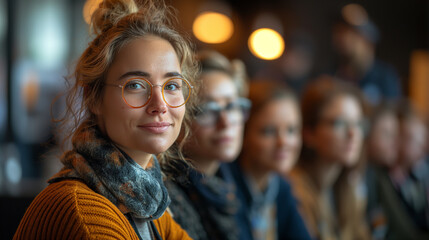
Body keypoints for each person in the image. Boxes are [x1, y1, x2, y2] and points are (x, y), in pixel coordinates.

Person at [14, 0, 199, 239]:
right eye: (135, 85)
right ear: (93, 98)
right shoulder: (86, 215)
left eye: (172, 85)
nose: (160, 105)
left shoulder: (143, 197)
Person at [163, 50, 251, 240]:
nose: (225, 122)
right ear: (180, 117)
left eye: (232, 106)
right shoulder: (166, 198)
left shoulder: (231, 183)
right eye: (207, 110)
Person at [288, 75, 371, 240]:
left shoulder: (348, 187)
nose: (353, 134)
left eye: (358, 124)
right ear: (309, 133)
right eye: (339, 123)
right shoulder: (294, 192)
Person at [228, 80, 311, 240]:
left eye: (291, 130)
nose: (283, 142)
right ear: (243, 133)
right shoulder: (226, 186)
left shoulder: (280, 187)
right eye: (269, 131)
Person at [331, 5, 402, 106]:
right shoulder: (330, 75)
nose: (343, 38)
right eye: (339, 31)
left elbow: (391, 115)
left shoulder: (385, 76)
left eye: (351, 33)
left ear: (367, 41)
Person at [364, 101, 400, 239]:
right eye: (387, 134)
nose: (395, 142)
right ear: (367, 134)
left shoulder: (378, 175)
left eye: (395, 134)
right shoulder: (360, 179)